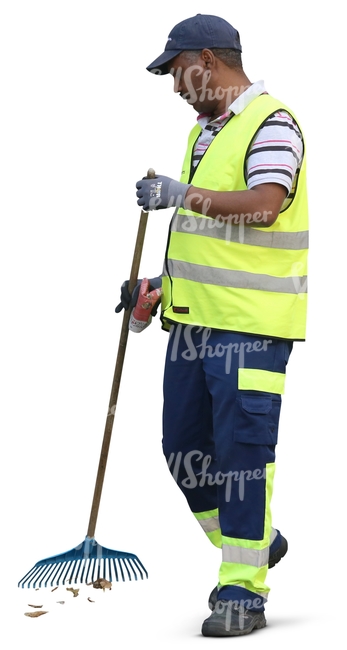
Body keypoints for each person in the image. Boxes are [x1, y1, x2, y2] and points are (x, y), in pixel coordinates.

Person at [116, 14, 308, 637]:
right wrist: (155, 290)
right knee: (185, 453)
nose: (174, 86)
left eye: (176, 71)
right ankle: (256, 541)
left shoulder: (273, 124)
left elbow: (263, 205)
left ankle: (242, 589)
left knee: (241, 458)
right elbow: (212, 242)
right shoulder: (206, 133)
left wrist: (179, 195)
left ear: (207, 59)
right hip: (193, 326)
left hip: (251, 329)